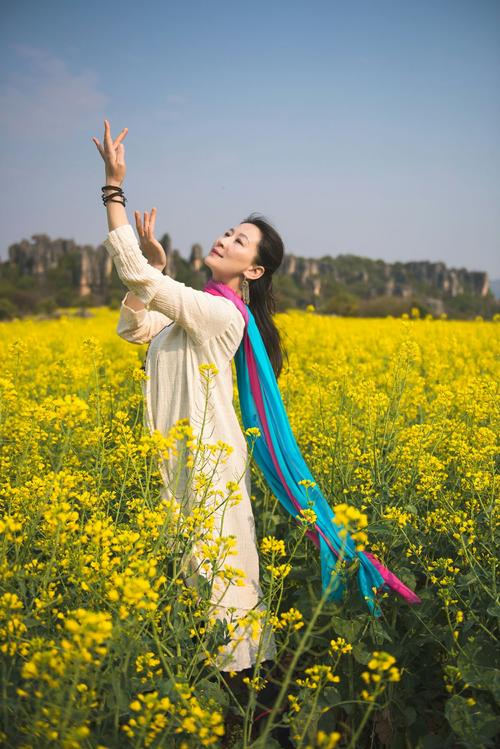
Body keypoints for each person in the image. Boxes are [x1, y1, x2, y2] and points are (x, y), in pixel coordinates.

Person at [92, 119, 287, 673]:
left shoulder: (222, 313)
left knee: (224, 581)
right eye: (229, 230)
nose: (225, 237)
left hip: (208, 462)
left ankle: (246, 696)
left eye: (240, 240)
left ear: (253, 269)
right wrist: (155, 271)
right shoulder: (193, 310)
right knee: (195, 578)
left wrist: (113, 189)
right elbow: (134, 328)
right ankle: (215, 686)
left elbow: (135, 277)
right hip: (178, 454)